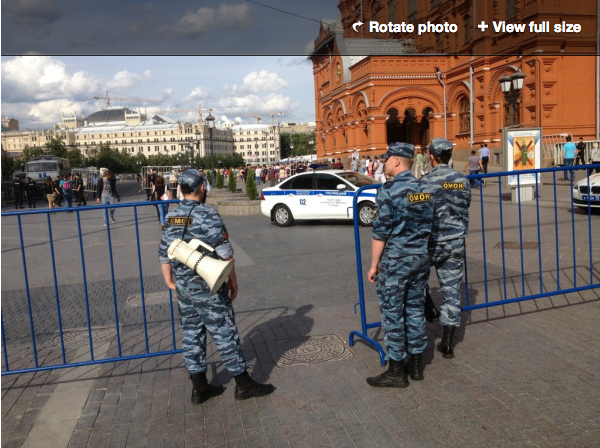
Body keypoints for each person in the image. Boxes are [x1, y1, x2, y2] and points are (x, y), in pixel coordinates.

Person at [157, 169, 275, 404]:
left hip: (184, 288)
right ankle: (243, 384)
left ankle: (199, 388)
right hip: (209, 286)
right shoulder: (208, 214)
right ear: (202, 187)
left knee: (191, 335)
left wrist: (170, 282)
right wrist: (233, 281)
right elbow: (225, 253)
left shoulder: (171, 216)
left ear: (181, 189)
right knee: (224, 332)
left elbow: (163, 254)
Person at [366, 142, 434, 387]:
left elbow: (380, 232)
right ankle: (416, 367)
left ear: (396, 160)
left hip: (396, 262)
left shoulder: (388, 191)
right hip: (420, 258)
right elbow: (428, 227)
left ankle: (396, 371)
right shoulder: (426, 189)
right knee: (415, 310)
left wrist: (374, 265)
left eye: (386, 159)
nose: (383, 163)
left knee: (393, 314)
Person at [422, 138, 471, 359]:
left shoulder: (425, 182)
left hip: (431, 244)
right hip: (455, 243)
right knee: (452, 292)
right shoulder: (462, 181)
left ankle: (428, 307)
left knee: (415, 276)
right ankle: (448, 344)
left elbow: (418, 210)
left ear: (432, 156)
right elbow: (465, 203)